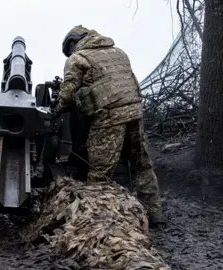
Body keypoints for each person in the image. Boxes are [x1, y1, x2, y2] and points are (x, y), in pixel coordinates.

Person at [54, 25, 163, 225]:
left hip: (108, 117)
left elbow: (68, 94)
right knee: (142, 165)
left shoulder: (78, 59)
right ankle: (154, 215)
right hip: (135, 112)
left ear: (73, 43)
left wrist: (57, 110)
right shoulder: (118, 52)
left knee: (99, 173)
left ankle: (98, 223)